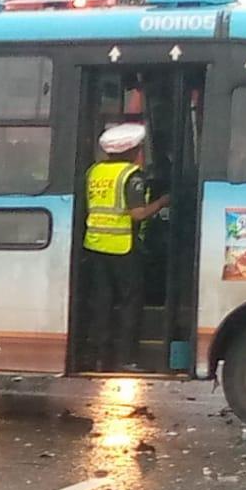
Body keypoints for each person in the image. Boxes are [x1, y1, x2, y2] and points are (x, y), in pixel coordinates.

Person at [80, 123, 170, 372]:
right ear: (133, 150)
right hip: (123, 248)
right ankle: (126, 358)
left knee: (102, 302)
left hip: (96, 245)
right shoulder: (132, 176)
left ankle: (99, 355)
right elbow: (139, 214)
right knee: (131, 302)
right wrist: (162, 202)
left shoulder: (94, 172)